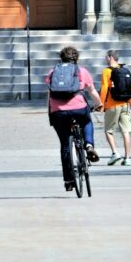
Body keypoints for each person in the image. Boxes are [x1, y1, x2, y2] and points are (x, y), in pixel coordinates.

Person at [46, 46, 102, 192]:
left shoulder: (53, 72)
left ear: (61, 58)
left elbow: (50, 94)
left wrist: (51, 111)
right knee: (87, 121)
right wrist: (99, 104)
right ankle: (89, 146)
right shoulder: (82, 71)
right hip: (78, 108)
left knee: (65, 145)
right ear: (76, 58)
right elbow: (92, 91)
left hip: (57, 111)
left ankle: (69, 181)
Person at [99, 50, 131, 166]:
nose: (105, 59)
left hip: (112, 104)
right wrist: (129, 102)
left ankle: (115, 153)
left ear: (111, 57)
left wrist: (101, 104)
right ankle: (127, 158)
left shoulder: (106, 71)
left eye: (106, 57)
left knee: (108, 130)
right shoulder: (124, 70)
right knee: (126, 131)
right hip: (126, 104)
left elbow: (104, 89)